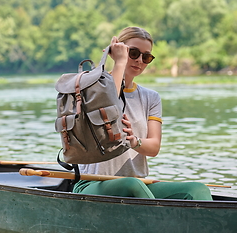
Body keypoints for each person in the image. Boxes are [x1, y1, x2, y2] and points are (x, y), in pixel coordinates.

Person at [73, 27, 212, 200]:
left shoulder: (151, 97)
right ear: (119, 53)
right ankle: (161, 223)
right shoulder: (92, 87)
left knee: (197, 190)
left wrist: (134, 141)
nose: (139, 60)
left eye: (146, 57)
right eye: (133, 53)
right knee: (131, 184)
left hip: (139, 185)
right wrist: (119, 63)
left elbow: (153, 148)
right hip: (92, 184)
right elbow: (111, 108)